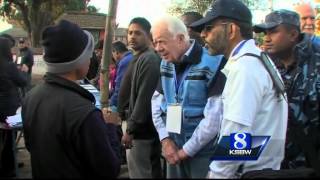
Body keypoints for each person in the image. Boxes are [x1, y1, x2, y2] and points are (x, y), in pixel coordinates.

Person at [190, 0, 288, 178]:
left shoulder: (245, 68)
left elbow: (237, 138)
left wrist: (217, 175)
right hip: (261, 169)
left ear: (231, 30)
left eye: (209, 27)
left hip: (250, 173)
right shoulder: (257, 60)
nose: (203, 34)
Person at [21, 20, 120, 178]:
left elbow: (30, 145)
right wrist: (110, 127)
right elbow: (109, 170)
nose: (90, 59)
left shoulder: (31, 97)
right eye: (88, 54)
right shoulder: (85, 114)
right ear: (78, 61)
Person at [151, 16, 224, 178]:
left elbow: (214, 117)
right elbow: (156, 103)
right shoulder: (165, 63)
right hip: (173, 149)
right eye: (155, 43)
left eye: (161, 41)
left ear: (180, 39)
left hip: (203, 153)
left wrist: (186, 151)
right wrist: (165, 140)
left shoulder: (213, 62)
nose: (157, 48)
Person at [253, 9, 320, 172]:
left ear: (293, 35)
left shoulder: (315, 67)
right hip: (274, 167)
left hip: (310, 166)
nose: (266, 38)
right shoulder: (263, 68)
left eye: (273, 32)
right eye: (265, 33)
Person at [119, 17, 162, 178]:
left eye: (138, 33)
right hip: (134, 126)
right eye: (130, 32)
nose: (132, 36)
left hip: (141, 132)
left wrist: (131, 129)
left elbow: (144, 98)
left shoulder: (149, 59)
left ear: (148, 36)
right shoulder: (136, 57)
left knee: (141, 173)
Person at [0, 37, 27, 178]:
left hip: (2, 112)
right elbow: (22, 82)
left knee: (5, 135)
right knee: (13, 133)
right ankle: (8, 167)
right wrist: (23, 70)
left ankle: (9, 162)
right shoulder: (9, 66)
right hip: (9, 113)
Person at [109, 41, 133, 110]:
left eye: (112, 53)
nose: (112, 57)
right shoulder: (130, 57)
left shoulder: (124, 62)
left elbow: (120, 87)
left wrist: (111, 103)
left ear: (116, 52)